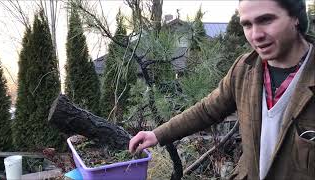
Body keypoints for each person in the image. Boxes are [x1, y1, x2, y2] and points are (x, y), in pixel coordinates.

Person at [129, 0, 315, 179]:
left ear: (295, 17)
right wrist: (157, 134)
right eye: (247, 25)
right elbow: (207, 110)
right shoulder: (244, 69)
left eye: (266, 20)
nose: (256, 34)